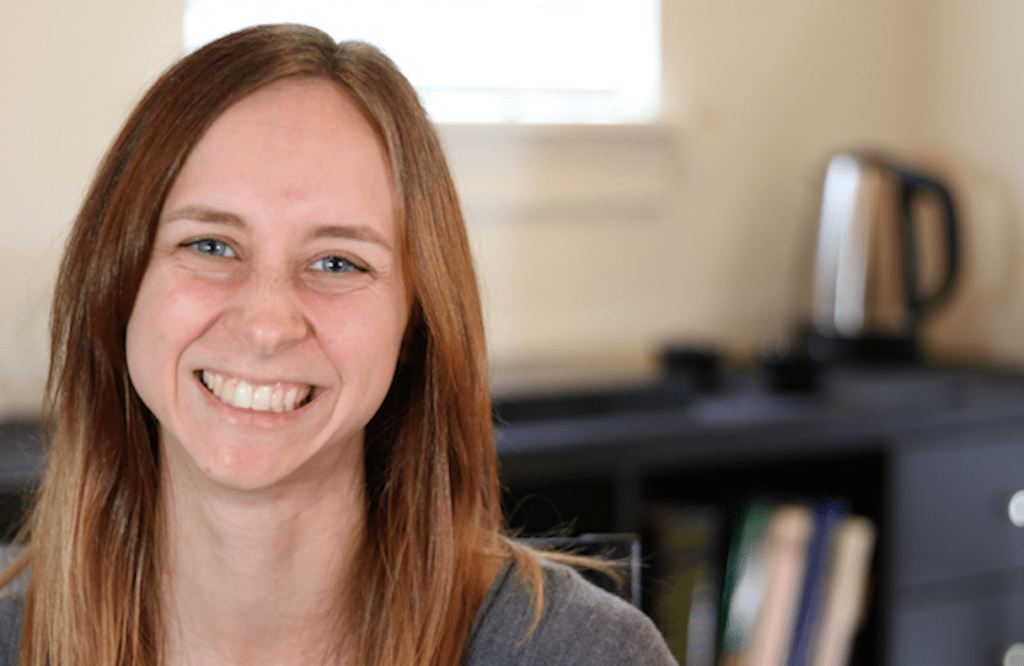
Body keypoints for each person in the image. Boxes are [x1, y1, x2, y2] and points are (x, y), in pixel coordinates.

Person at [0, 24, 677, 666]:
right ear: (116, 285)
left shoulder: (579, 652)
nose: (267, 324)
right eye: (209, 245)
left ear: (415, 322)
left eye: (337, 262)